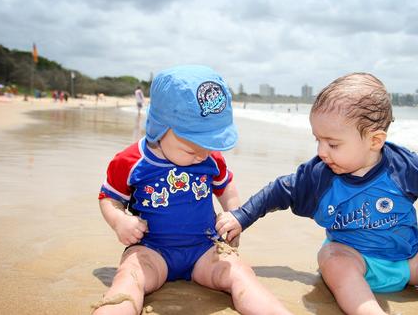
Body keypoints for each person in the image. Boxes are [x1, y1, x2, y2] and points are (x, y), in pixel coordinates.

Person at [216, 73, 418, 315]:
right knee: (333, 261)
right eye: (318, 140)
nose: (321, 152)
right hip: (352, 256)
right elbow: (279, 191)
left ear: (375, 141)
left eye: (332, 144)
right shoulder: (319, 175)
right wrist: (242, 216)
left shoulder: (405, 167)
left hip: (408, 257)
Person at [94, 65, 290, 315]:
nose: (203, 155)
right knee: (129, 278)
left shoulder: (209, 158)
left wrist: (234, 215)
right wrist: (119, 221)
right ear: (159, 128)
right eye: (192, 148)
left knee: (241, 274)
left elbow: (225, 186)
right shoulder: (132, 161)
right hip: (151, 250)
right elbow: (109, 198)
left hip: (205, 249)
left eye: (210, 145)